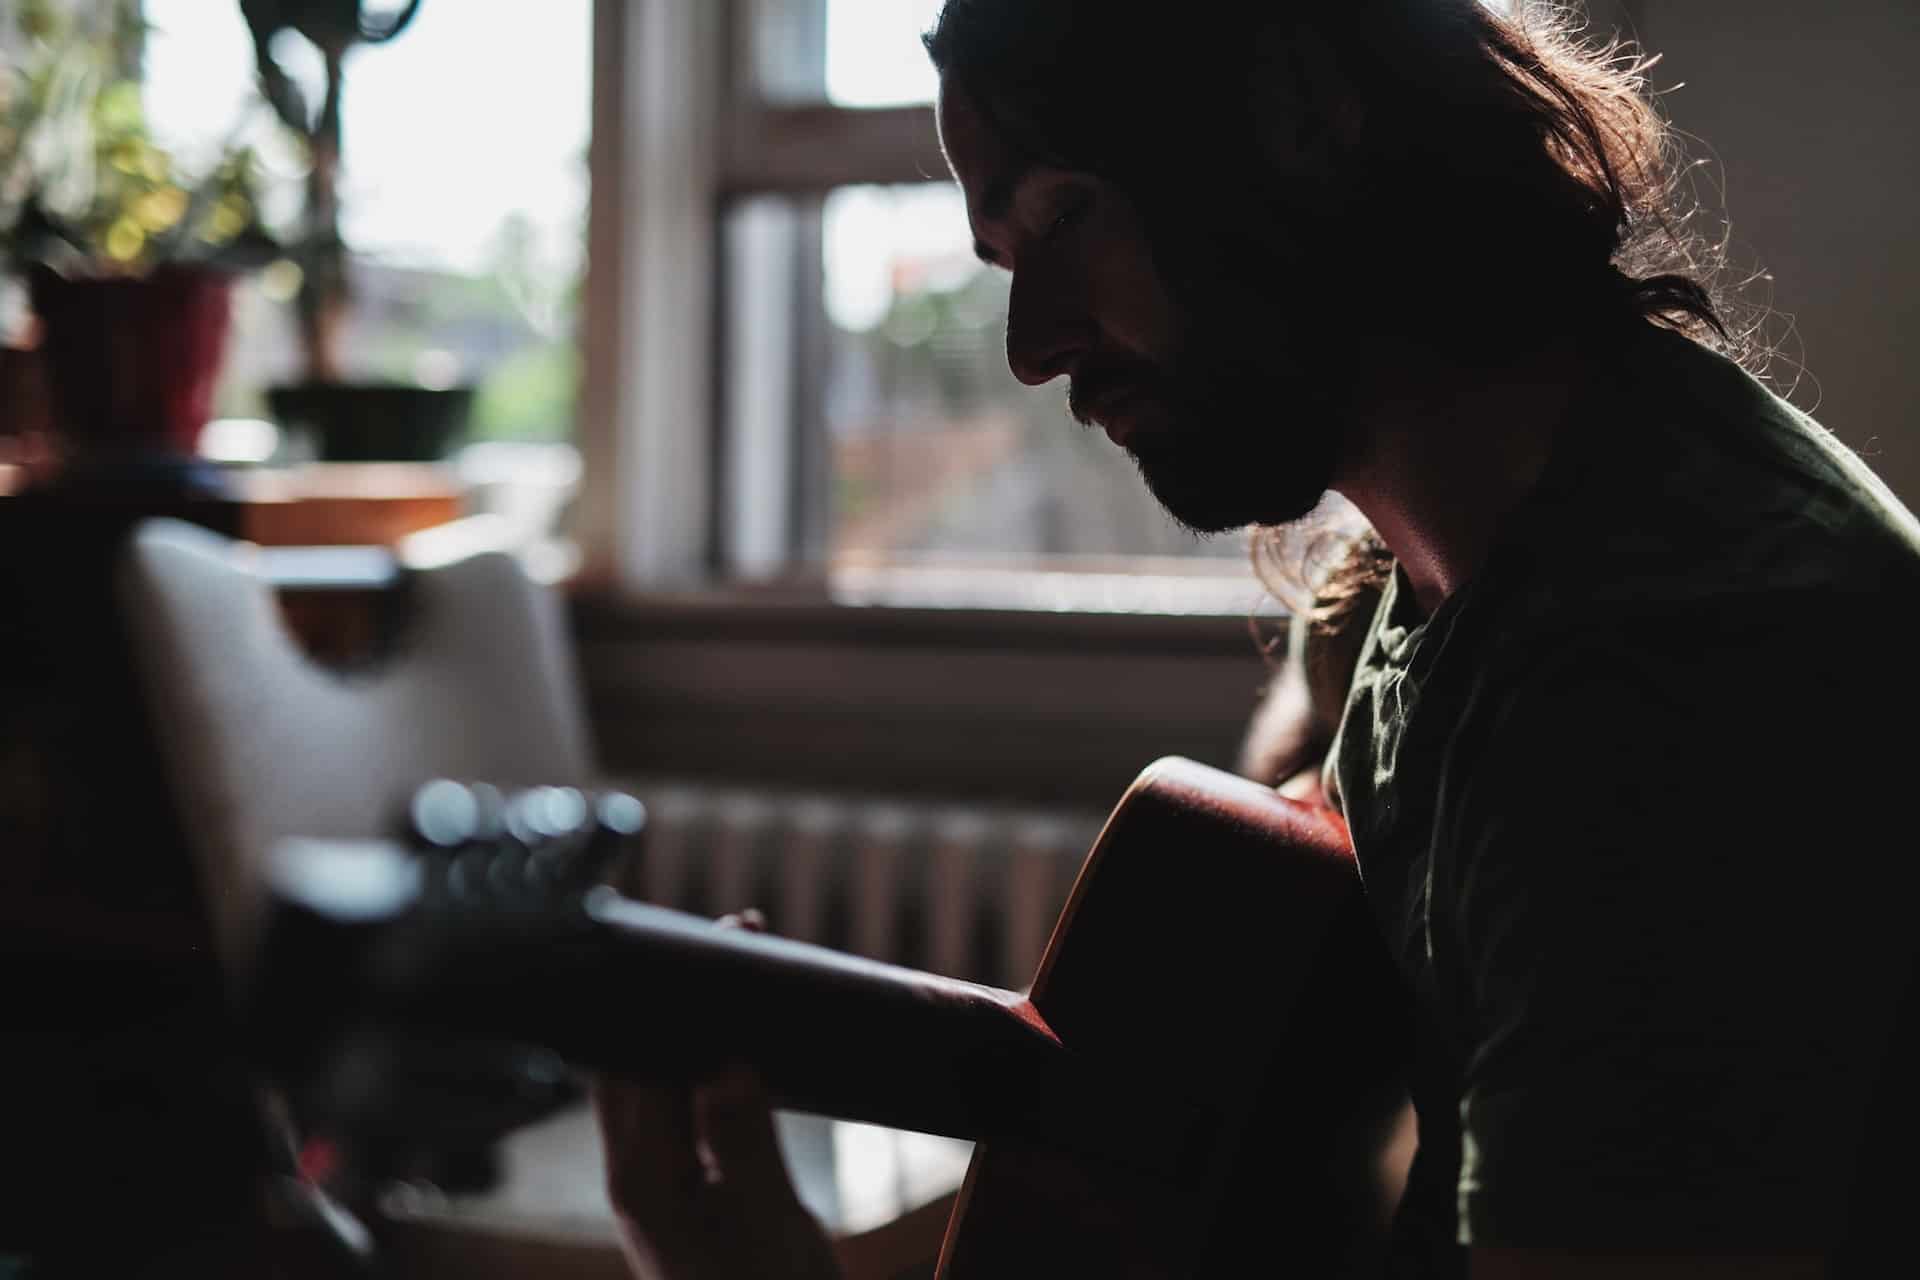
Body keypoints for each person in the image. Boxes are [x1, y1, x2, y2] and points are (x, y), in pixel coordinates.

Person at [596, 2, 1920, 1276]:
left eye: (1069, 210)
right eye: (1008, 258)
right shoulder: (1397, 583)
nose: (1034, 345)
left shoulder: (1683, 675)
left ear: (1299, 110)